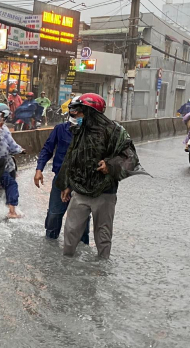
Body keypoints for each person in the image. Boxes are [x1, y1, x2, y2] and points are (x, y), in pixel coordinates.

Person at [56, 93, 147, 259]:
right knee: (70, 231)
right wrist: (66, 184)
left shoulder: (115, 132)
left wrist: (110, 165)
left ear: (92, 112)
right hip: (80, 191)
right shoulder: (79, 131)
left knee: (103, 236)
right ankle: (66, 264)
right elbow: (72, 157)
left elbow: (131, 158)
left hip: (105, 193)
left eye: (81, 111)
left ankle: (102, 270)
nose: (77, 115)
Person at [35, 100, 90, 244]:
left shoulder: (92, 133)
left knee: (82, 220)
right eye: (75, 110)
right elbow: (47, 149)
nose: (78, 114)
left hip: (82, 182)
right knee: (54, 214)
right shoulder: (60, 129)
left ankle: (82, 248)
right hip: (60, 179)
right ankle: (49, 246)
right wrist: (39, 169)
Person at [0, 104, 24, 219]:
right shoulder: (2, 129)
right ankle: (12, 211)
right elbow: (12, 146)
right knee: (11, 183)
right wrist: (20, 150)